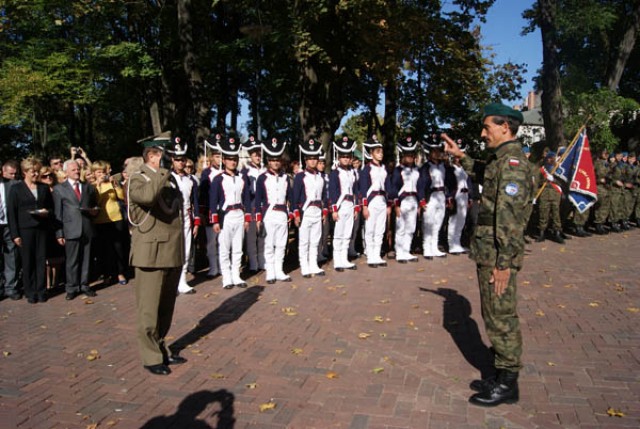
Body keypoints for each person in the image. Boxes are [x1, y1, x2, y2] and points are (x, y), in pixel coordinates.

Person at [443, 103, 534, 407]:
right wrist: (462, 157)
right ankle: (499, 373)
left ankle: (508, 383)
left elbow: (508, 219)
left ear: (505, 127)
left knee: (500, 317)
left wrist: (504, 264)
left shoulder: (513, 164)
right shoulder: (500, 160)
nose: (483, 134)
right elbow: (484, 171)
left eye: (487, 128)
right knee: (492, 313)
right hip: (489, 252)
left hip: (498, 256)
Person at [128, 139, 186, 376]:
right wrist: (162, 171)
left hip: (171, 251)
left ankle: (161, 347)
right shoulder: (138, 178)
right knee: (149, 309)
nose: (173, 161)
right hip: (150, 253)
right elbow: (149, 197)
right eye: (165, 155)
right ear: (152, 155)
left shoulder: (167, 178)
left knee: (165, 308)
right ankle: (150, 356)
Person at [7, 158, 54, 303]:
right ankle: (30, 291)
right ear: (25, 172)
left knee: (41, 259)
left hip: (41, 228)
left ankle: (41, 290)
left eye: (37, 171)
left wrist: (47, 212)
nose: (35, 174)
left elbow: (51, 207)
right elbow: (11, 212)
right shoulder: (16, 189)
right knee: (27, 261)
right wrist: (15, 234)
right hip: (25, 229)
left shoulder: (43, 188)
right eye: (32, 171)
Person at [53, 159, 98, 300]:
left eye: (78, 169)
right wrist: (59, 232)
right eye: (73, 170)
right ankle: (71, 287)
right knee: (72, 261)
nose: (77, 171)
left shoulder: (88, 187)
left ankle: (84, 285)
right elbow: (57, 213)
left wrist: (94, 211)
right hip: (70, 229)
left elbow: (94, 204)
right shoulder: (59, 189)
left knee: (86, 259)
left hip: (86, 227)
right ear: (66, 172)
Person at [209, 136, 251, 289]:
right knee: (225, 247)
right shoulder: (218, 179)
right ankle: (226, 277)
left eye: (235, 159)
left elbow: (246, 199)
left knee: (238, 248)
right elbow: (213, 202)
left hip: (239, 215)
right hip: (225, 217)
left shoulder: (242, 178)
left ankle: (236, 275)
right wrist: (214, 220)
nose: (233, 162)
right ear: (224, 160)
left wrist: (247, 218)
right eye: (229, 159)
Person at [254, 138, 292, 284]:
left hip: (282, 213)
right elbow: (258, 200)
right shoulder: (262, 178)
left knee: (281, 243)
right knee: (269, 243)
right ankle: (270, 270)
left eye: (278, 160)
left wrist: (291, 212)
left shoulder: (286, 178)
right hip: (268, 214)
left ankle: (279, 269)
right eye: (272, 160)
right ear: (268, 161)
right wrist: (258, 218)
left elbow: (290, 197)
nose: (275, 162)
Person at [167, 138, 200, 294]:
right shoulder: (166, 178)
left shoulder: (190, 179)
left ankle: (182, 280)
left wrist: (196, 221)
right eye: (177, 159)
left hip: (186, 217)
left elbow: (195, 202)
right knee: (173, 250)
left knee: (186, 250)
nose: (180, 163)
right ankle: (170, 282)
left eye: (183, 159)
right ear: (172, 160)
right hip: (172, 219)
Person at [292, 138, 328, 278]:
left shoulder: (320, 177)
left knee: (315, 240)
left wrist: (324, 211)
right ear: (306, 160)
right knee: (304, 240)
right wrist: (296, 214)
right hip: (305, 212)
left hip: (317, 211)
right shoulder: (300, 177)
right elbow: (295, 197)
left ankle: (313, 264)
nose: (313, 161)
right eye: (310, 158)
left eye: (315, 158)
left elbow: (324, 196)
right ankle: (304, 265)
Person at [92, 160, 129, 286]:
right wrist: (98, 185)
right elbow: (95, 202)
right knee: (104, 249)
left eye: (103, 172)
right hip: (101, 220)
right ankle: (107, 274)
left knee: (118, 248)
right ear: (94, 173)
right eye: (98, 172)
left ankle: (120, 273)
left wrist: (115, 185)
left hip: (116, 218)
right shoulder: (93, 186)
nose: (102, 174)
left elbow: (121, 197)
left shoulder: (111, 182)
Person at [329, 136, 358, 272]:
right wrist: (334, 209)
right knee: (339, 233)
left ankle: (344, 258)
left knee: (348, 233)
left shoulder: (352, 172)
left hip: (350, 205)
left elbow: (355, 190)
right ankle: (337, 260)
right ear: (338, 157)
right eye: (343, 156)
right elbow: (333, 191)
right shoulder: (335, 173)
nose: (346, 158)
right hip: (340, 206)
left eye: (348, 156)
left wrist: (356, 207)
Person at [359, 136, 389, 268]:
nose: (381, 154)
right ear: (371, 154)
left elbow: (387, 186)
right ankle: (370, 255)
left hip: (382, 200)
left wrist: (388, 204)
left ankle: (377, 254)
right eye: (378, 152)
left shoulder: (384, 168)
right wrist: (364, 206)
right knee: (370, 229)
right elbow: (363, 189)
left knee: (380, 229)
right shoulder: (367, 169)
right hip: (371, 202)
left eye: (381, 151)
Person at [390, 137, 420, 263]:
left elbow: (419, 187)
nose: (410, 157)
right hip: (403, 201)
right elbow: (393, 188)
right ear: (402, 155)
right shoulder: (398, 171)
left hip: (413, 200)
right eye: (407, 155)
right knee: (401, 227)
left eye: (411, 155)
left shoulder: (417, 170)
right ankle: (399, 252)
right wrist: (396, 205)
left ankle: (406, 251)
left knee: (411, 227)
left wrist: (419, 204)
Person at [419, 137, 449, 259]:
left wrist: (448, 198)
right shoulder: (426, 167)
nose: (437, 153)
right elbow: (421, 184)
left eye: (438, 151)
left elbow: (449, 181)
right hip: (430, 196)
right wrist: (422, 200)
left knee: (438, 222)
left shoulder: (443, 166)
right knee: (428, 223)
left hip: (441, 196)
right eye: (434, 151)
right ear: (429, 153)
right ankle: (427, 248)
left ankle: (434, 246)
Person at [241, 136, 266, 274]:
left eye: (259, 154)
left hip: (262, 208)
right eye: (255, 154)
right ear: (250, 155)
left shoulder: (264, 170)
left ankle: (262, 260)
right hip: (251, 207)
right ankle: (253, 263)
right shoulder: (245, 171)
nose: (258, 157)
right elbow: (244, 193)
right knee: (251, 237)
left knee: (262, 236)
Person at [200, 135, 223, 279]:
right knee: (211, 241)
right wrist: (202, 212)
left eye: (221, 156)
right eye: (216, 156)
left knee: (224, 241)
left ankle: (222, 266)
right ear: (211, 157)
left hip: (225, 211)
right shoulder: (206, 172)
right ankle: (213, 267)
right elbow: (202, 194)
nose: (219, 159)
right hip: (211, 211)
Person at [0, 160, 20, 300]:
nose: (13, 175)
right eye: (10, 173)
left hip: (8, 224)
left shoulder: (12, 184)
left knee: (11, 257)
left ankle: (10, 287)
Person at [446, 145, 472, 254]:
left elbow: (469, 183)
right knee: (453, 221)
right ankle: (451, 244)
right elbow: (449, 184)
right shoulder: (451, 169)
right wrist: (449, 198)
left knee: (461, 221)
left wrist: (470, 198)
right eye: (457, 156)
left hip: (464, 196)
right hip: (456, 195)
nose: (459, 158)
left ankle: (457, 243)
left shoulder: (464, 169)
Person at [536, 152, 565, 244]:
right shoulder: (541, 169)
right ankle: (541, 233)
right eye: (549, 158)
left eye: (552, 158)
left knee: (556, 214)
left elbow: (562, 182)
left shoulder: (558, 170)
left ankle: (557, 233)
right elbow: (537, 182)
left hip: (555, 194)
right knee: (543, 213)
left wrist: (553, 180)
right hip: (544, 193)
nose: (551, 160)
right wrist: (544, 179)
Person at [592, 148, 611, 234]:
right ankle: (597, 225)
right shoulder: (597, 163)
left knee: (605, 207)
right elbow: (591, 175)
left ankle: (602, 223)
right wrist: (599, 180)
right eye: (604, 153)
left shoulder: (608, 164)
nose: (606, 154)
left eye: (607, 153)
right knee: (600, 206)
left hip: (607, 188)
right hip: (599, 187)